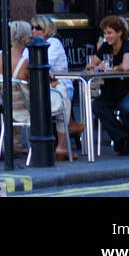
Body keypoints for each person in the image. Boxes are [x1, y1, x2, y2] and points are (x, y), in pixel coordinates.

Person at [88, 15, 129, 156]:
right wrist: (98, 67)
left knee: (125, 107)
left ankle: (125, 138)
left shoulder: (128, 45)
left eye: (110, 33)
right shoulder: (106, 47)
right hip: (113, 91)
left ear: (119, 33)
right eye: (105, 33)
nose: (106, 36)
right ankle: (123, 137)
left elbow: (126, 67)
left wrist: (111, 68)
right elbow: (90, 65)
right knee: (97, 105)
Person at [31, 12, 81, 158]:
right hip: (42, 89)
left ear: (46, 28)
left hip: (61, 87)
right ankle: (66, 129)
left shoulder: (54, 43)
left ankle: (62, 143)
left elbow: (44, 63)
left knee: (59, 97)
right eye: (32, 27)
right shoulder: (33, 44)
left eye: (38, 27)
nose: (34, 31)